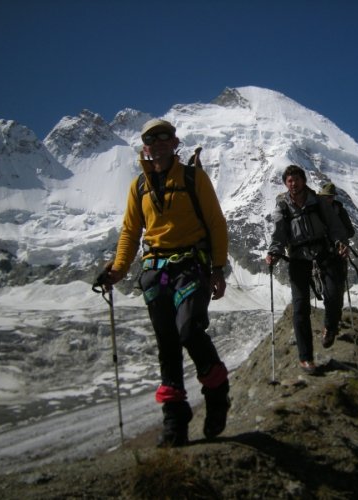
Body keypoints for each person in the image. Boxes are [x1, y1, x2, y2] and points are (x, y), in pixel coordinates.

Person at [99, 118, 230, 447]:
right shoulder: (138, 186)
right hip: (155, 270)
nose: (157, 143)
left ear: (175, 143)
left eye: (164, 137)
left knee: (188, 329)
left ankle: (216, 392)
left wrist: (217, 269)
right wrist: (117, 269)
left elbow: (215, 223)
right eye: (150, 139)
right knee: (168, 344)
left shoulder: (192, 177)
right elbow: (130, 231)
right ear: (145, 146)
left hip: (192, 265)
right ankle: (175, 418)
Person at [265, 165, 349, 374]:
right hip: (297, 257)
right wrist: (274, 251)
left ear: (304, 180)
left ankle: (330, 326)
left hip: (324, 251)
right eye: (289, 181)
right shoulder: (282, 206)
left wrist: (341, 241)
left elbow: (335, 225)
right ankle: (306, 358)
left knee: (333, 292)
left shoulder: (319, 202)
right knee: (300, 306)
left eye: (296, 179)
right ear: (286, 184)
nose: (293, 184)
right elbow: (278, 233)